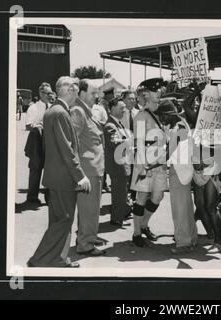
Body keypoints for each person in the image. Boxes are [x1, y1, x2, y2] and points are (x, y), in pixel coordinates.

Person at [28, 76, 91, 268]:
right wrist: (80, 176)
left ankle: (59, 258)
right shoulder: (61, 113)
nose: (77, 94)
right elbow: (67, 149)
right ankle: (38, 259)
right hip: (63, 178)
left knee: (58, 220)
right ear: (70, 90)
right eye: (76, 89)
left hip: (55, 177)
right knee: (64, 220)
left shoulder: (53, 111)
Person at [156, 100, 198, 254]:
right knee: (186, 207)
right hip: (184, 171)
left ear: (168, 114)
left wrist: (151, 165)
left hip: (178, 172)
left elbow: (169, 153)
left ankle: (183, 243)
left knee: (179, 209)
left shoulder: (177, 129)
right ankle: (191, 238)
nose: (161, 120)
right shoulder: (182, 124)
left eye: (162, 116)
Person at [70, 80, 106, 257]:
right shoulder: (78, 111)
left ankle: (88, 236)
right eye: (93, 93)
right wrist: (78, 171)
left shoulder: (86, 110)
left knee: (90, 209)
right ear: (82, 93)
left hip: (94, 168)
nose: (97, 96)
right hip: (88, 170)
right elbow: (71, 142)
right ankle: (85, 244)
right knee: (89, 210)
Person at [130, 77, 167, 247]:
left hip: (160, 163)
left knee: (158, 197)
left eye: (160, 90)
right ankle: (137, 232)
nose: (159, 92)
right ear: (146, 94)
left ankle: (144, 224)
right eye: (155, 90)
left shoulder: (163, 112)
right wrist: (145, 167)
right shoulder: (141, 116)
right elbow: (139, 144)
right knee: (142, 197)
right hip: (146, 165)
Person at [104, 97, 132, 226]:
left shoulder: (117, 123)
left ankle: (121, 215)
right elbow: (116, 143)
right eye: (121, 108)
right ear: (112, 108)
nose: (124, 110)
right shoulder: (110, 125)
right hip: (117, 166)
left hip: (122, 165)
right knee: (118, 195)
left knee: (122, 193)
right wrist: (130, 142)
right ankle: (116, 219)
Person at [24, 82, 53, 205]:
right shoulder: (34, 107)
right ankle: (32, 197)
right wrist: (39, 126)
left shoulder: (52, 106)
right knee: (35, 169)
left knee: (50, 169)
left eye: (50, 93)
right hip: (36, 141)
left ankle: (50, 197)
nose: (49, 95)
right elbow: (28, 126)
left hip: (49, 141)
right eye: (47, 93)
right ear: (41, 93)